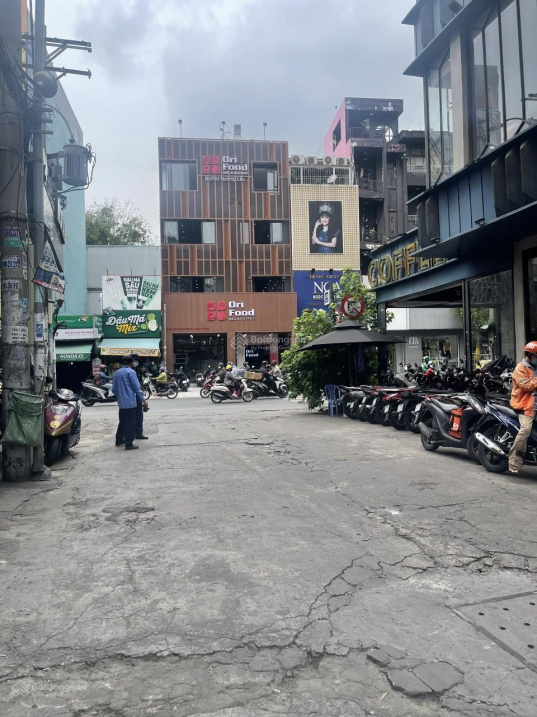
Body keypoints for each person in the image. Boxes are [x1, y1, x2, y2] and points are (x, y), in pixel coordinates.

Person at [508, 341, 537, 475]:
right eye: (536, 356)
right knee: (525, 430)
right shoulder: (520, 368)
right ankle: (514, 461)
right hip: (525, 405)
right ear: (529, 355)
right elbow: (526, 386)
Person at [112, 355, 147, 450]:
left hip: (121, 403)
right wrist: (143, 400)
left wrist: (120, 396)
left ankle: (119, 440)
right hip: (130, 402)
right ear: (131, 363)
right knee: (131, 423)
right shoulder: (131, 372)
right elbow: (136, 388)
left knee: (122, 422)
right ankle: (129, 443)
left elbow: (113, 389)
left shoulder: (117, 373)